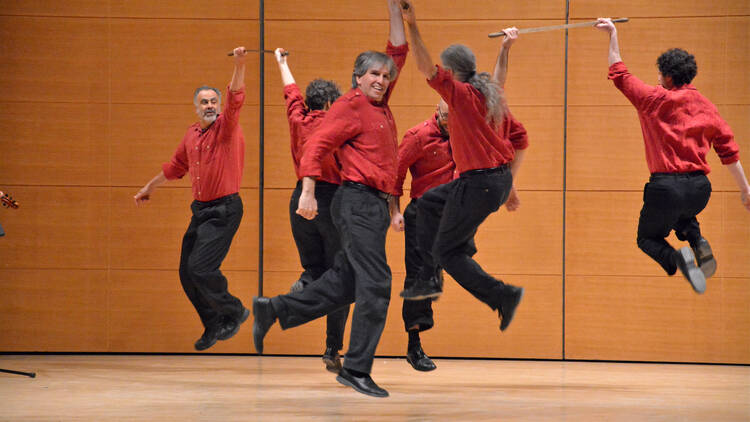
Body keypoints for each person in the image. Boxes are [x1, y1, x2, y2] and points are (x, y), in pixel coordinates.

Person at [252, 0, 408, 398]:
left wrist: (395, 12)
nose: (381, 78)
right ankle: (355, 369)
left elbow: (396, 52)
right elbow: (314, 146)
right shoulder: (349, 106)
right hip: (353, 201)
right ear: (357, 78)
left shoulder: (380, 104)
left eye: (385, 75)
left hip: (370, 204)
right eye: (373, 74)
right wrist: (307, 191)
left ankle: (275, 310)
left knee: (348, 282)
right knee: (377, 283)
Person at [397, 1, 526, 334]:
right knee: (427, 202)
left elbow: (424, 65)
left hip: (479, 184)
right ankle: (427, 274)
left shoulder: (459, 95)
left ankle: (503, 296)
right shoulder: (487, 92)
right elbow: (500, 76)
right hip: (490, 182)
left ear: (451, 73)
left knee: (448, 252)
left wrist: (412, 26)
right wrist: (505, 47)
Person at [595, 18, 750, 293]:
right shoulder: (707, 107)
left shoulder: (653, 99)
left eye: (659, 74)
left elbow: (619, 73)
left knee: (647, 238)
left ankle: (677, 257)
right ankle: (697, 240)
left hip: (666, 187)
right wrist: (745, 190)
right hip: (700, 190)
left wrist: (612, 34)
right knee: (682, 215)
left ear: (667, 77)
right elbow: (729, 152)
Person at [134, 47, 250, 351]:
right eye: (205, 102)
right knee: (187, 273)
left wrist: (239, 65)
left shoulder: (227, 128)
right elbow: (175, 167)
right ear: (196, 107)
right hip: (200, 211)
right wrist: (150, 186)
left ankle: (234, 310)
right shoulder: (191, 134)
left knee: (201, 268)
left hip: (225, 209)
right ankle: (212, 321)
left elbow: (236, 97)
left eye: (214, 101)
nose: (210, 106)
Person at [273, 47, 350, 373]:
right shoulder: (340, 128)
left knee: (314, 266)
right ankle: (333, 347)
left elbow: (290, 93)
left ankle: (304, 285)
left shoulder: (297, 119)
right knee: (342, 276)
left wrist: (282, 62)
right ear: (332, 104)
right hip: (331, 201)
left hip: (299, 201)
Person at [389, 99, 454, 372]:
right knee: (418, 276)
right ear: (438, 112)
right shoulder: (418, 136)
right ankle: (414, 345)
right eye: (449, 118)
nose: (454, 124)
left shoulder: (464, 133)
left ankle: (418, 330)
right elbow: (396, 173)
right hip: (422, 213)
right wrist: (394, 212)